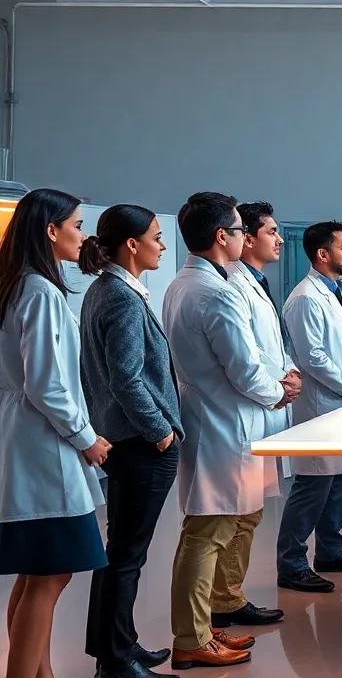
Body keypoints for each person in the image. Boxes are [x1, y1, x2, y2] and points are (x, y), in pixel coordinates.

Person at [162, 192, 298, 670]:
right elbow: (244, 368)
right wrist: (279, 390)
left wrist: (274, 382)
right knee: (207, 531)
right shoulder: (215, 292)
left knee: (224, 524)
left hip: (222, 419)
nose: (245, 237)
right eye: (242, 230)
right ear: (223, 236)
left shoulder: (188, 284)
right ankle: (191, 637)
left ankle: (210, 618)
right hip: (225, 422)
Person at [0, 189, 111, 678]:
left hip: (26, 441)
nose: (83, 235)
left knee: (37, 575)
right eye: (78, 224)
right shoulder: (41, 291)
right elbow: (47, 385)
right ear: (52, 230)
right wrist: (87, 437)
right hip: (45, 445)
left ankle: (41, 672)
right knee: (50, 575)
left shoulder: (19, 283)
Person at [78, 205, 182, 678]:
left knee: (120, 551)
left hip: (124, 439)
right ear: (133, 244)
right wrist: (158, 430)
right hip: (140, 443)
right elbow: (125, 377)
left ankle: (119, 645)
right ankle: (116, 661)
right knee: (126, 555)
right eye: (157, 238)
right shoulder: (120, 295)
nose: (163, 245)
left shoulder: (106, 289)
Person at [277, 221, 342, 594]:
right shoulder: (305, 298)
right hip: (323, 404)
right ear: (323, 254)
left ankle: (331, 551)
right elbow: (313, 357)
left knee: (341, 481)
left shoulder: (336, 293)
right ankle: (291, 563)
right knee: (313, 485)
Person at [212, 200, 292, 630]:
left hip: (259, 406)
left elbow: (268, 347)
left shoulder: (253, 282)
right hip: (240, 410)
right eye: (268, 231)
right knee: (232, 518)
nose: (278, 238)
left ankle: (229, 595)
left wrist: (287, 373)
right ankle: (225, 599)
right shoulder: (232, 286)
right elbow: (245, 358)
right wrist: (278, 388)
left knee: (248, 514)